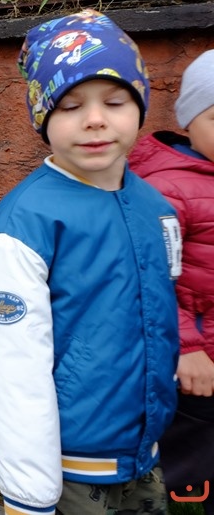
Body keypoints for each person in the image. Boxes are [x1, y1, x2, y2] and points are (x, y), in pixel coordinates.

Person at [0, 10, 181, 515]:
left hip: (143, 452)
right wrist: (29, 495)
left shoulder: (157, 209)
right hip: (68, 469)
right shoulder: (22, 227)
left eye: (115, 101)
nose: (94, 119)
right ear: (43, 117)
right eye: (69, 106)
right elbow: (14, 369)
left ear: (140, 105)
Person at [129, 49, 214, 513]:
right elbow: (150, 274)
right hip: (195, 366)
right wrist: (187, 346)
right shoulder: (169, 188)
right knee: (187, 472)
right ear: (189, 120)